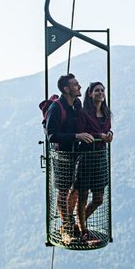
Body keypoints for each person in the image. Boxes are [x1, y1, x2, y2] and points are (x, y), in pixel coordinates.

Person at [45, 73, 93, 244]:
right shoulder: (57, 108)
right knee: (63, 191)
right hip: (62, 156)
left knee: (76, 190)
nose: (79, 87)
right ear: (66, 89)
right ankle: (66, 227)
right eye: (75, 84)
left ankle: (69, 223)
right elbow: (51, 136)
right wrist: (76, 136)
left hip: (75, 155)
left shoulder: (76, 104)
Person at [76, 81, 113, 241]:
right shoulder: (84, 113)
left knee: (98, 198)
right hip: (86, 157)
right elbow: (81, 132)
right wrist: (100, 136)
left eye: (102, 90)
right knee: (83, 195)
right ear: (90, 94)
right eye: (97, 90)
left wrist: (110, 134)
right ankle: (83, 230)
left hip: (100, 157)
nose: (100, 93)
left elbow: (107, 130)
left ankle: (79, 224)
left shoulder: (106, 114)